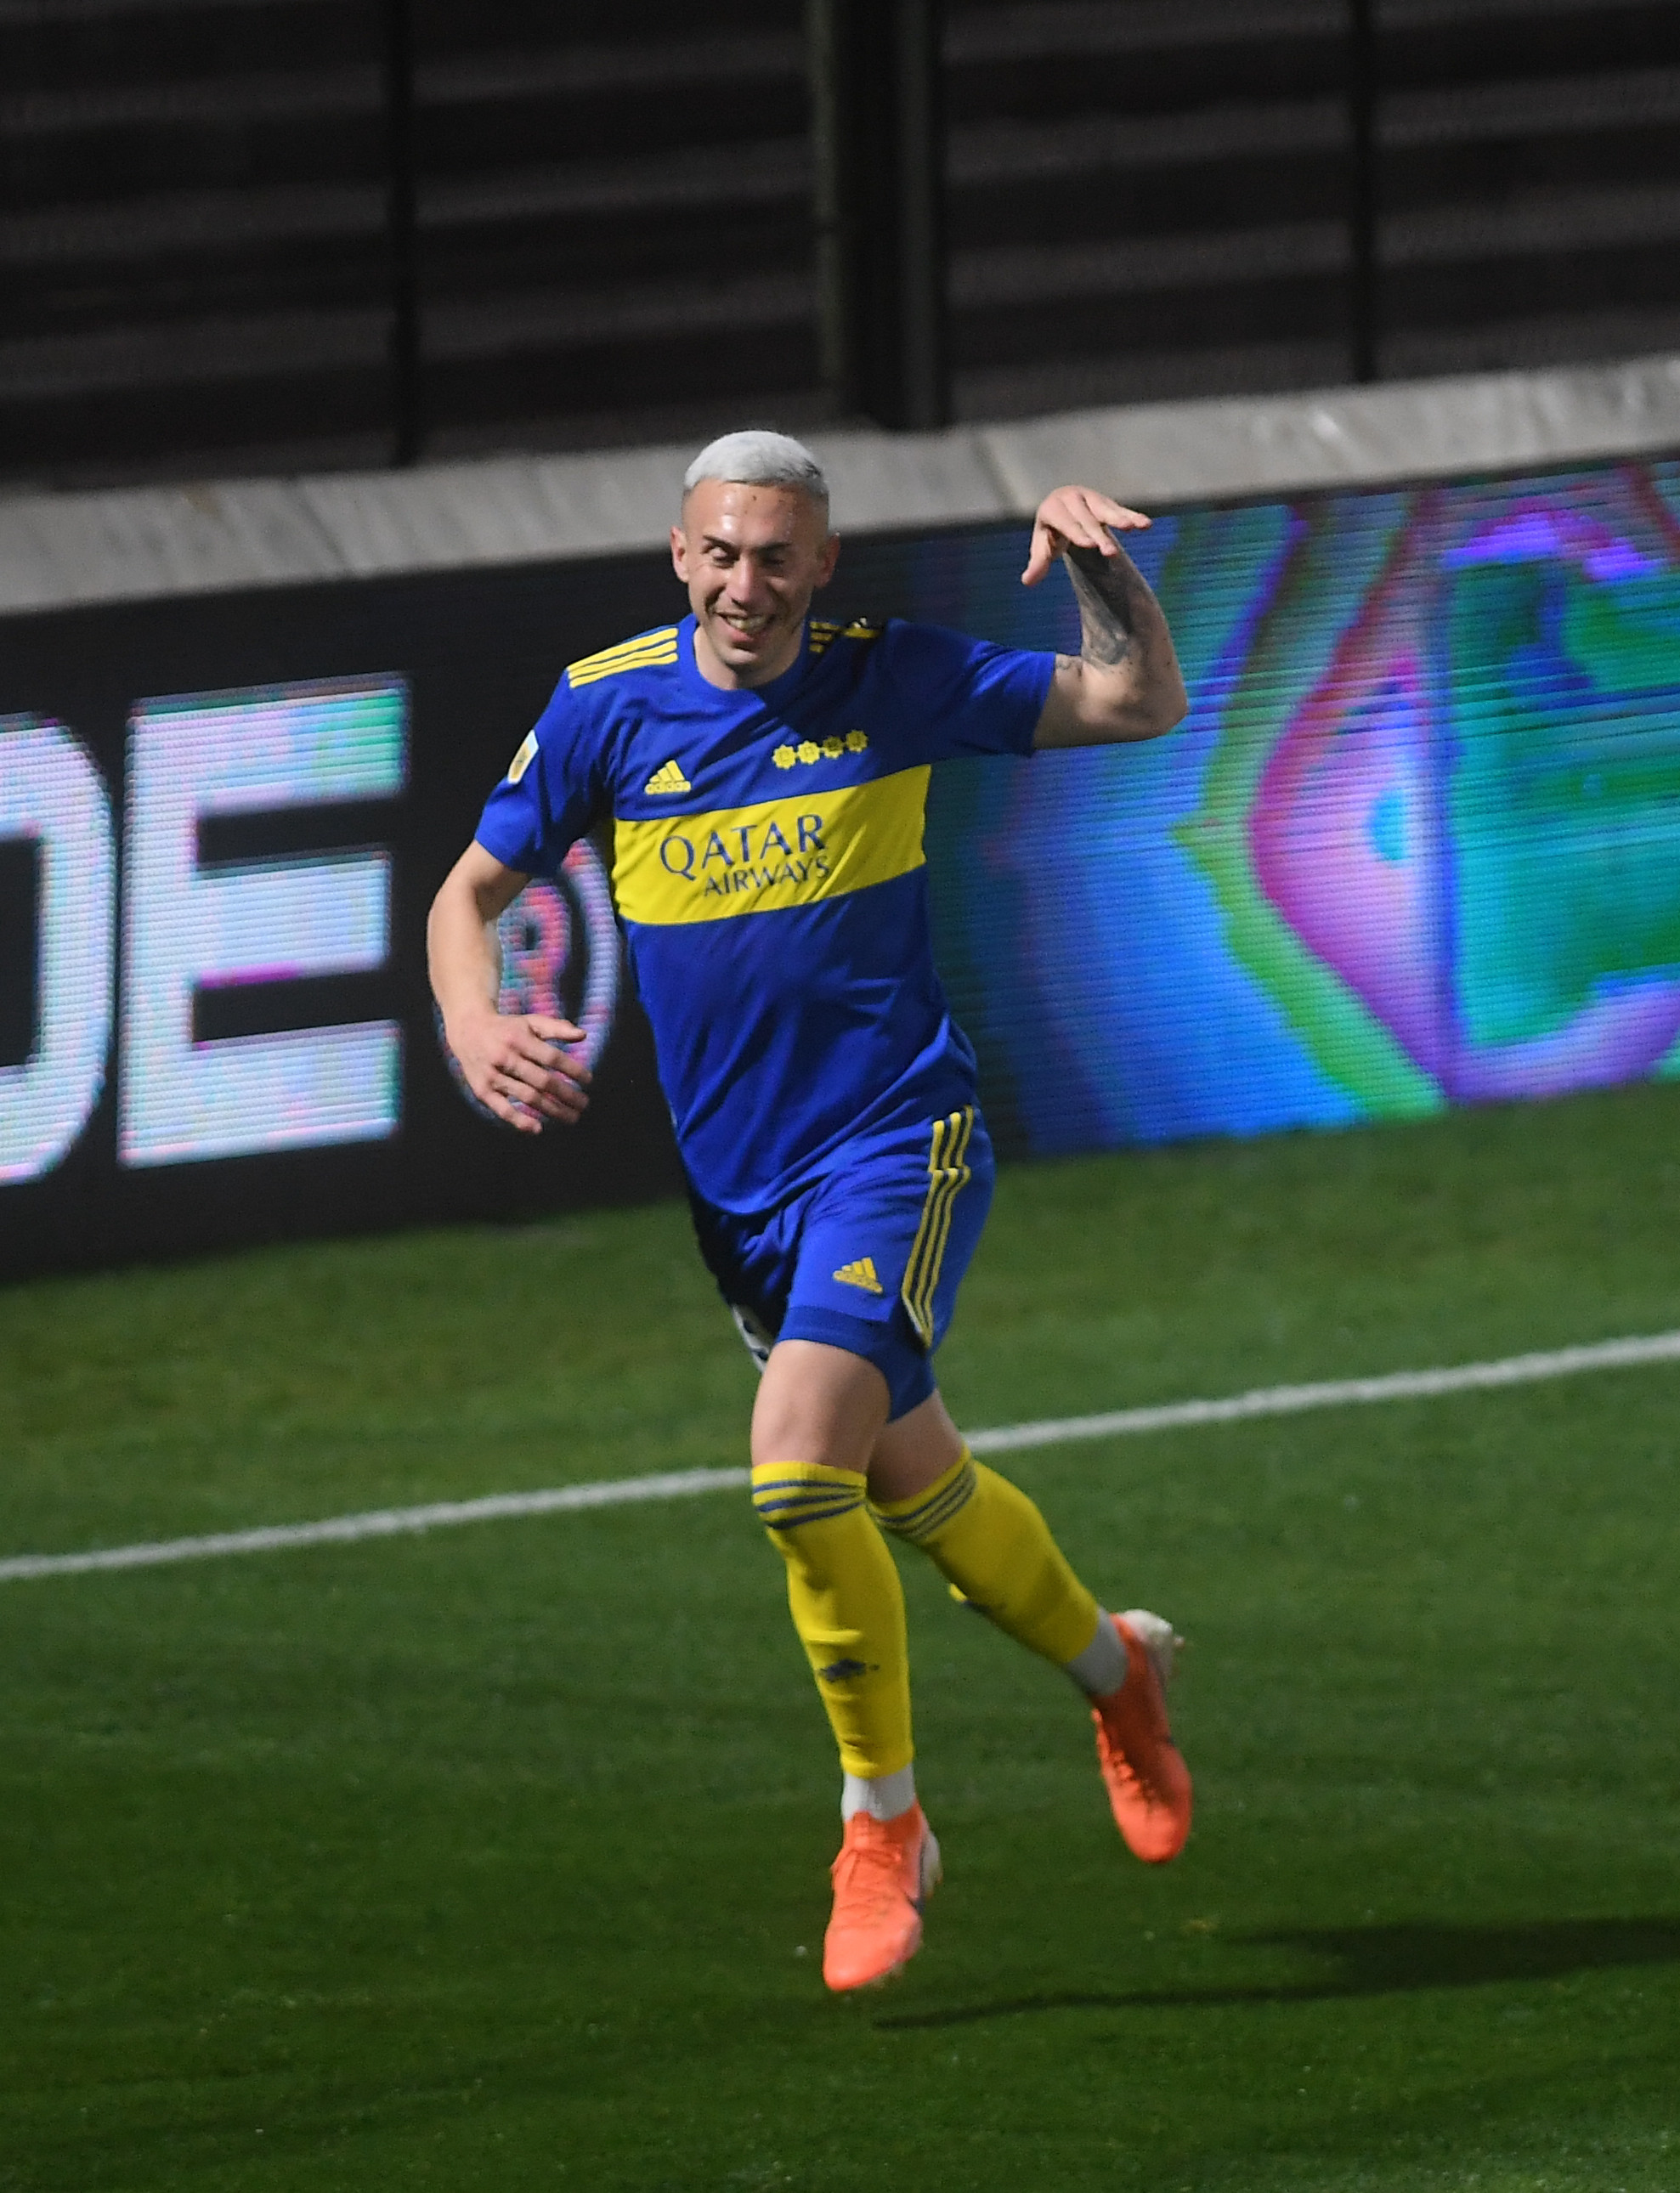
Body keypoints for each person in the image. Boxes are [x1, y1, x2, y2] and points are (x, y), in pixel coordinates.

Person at [427, 430, 1195, 1990]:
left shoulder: (886, 674)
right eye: (720, 552)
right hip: (741, 1201)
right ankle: (1118, 1675)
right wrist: (472, 1018)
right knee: (921, 1498)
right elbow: (467, 898)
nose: (745, 584)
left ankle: (882, 1827)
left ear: (822, 565)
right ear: (678, 551)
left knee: (796, 1475)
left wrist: (1108, 579)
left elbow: (1136, 701)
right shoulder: (604, 705)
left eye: (777, 556)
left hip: (894, 1143)